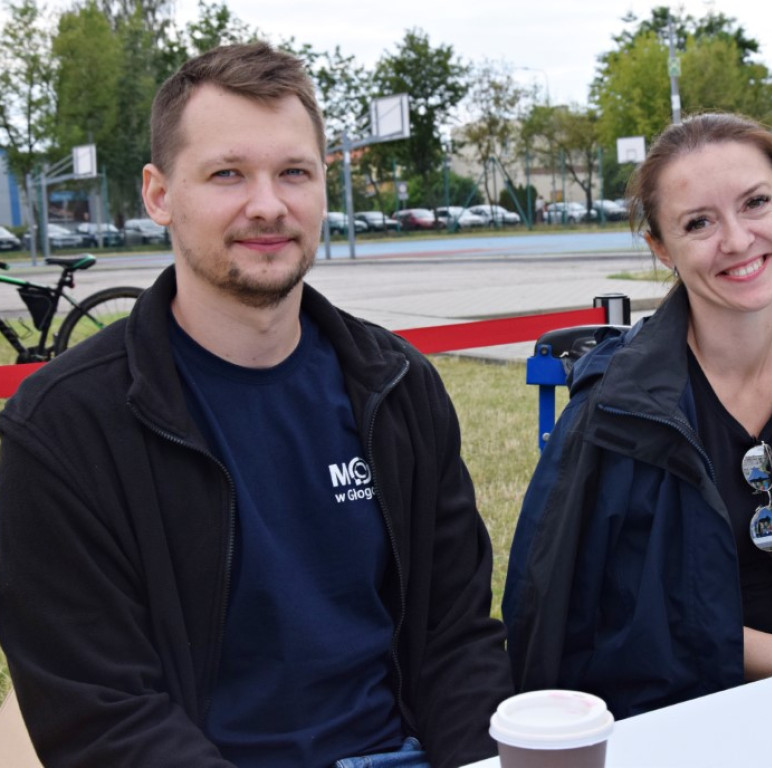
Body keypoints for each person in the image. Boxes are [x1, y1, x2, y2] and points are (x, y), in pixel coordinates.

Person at [0, 42, 512, 768]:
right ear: (158, 194)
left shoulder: (399, 388)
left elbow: (455, 642)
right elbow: (103, 712)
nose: (268, 204)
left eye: (294, 173)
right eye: (227, 174)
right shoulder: (61, 430)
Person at [502, 113, 772, 720]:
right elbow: (656, 621)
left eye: (756, 202)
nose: (737, 241)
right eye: (699, 222)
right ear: (661, 246)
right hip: (669, 706)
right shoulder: (620, 415)